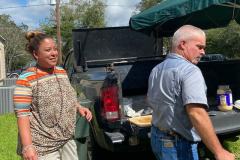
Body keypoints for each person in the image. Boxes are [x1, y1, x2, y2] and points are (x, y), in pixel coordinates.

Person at [147, 25, 235, 160]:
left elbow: (152, 101)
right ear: (182, 44)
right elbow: (196, 113)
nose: (203, 52)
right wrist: (219, 152)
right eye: (200, 47)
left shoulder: (156, 69)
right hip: (177, 145)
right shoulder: (190, 71)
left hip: (157, 138)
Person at [13, 31, 92, 160]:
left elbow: (67, 96)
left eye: (55, 49)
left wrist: (78, 107)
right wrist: (27, 146)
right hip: (42, 146)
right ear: (36, 54)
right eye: (48, 50)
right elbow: (22, 115)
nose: (54, 53)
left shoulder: (61, 71)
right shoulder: (26, 79)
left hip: (66, 139)